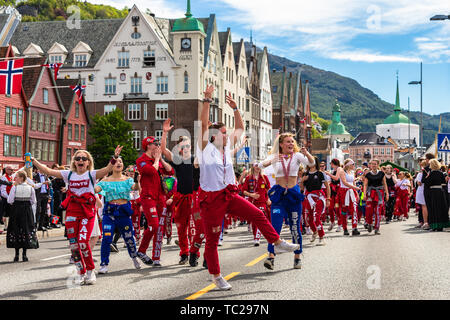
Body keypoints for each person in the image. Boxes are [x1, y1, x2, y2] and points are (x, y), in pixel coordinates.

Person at [198, 85, 299, 290]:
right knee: (212, 239)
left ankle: (277, 243)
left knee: (258, 215)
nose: (228, 135)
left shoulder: (225, 148)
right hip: (211, 199)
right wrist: (207, 100)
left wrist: (235, 109)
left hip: (229, 194)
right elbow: (202, 125)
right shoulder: (204, 148)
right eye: (224, 133)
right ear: (214, 135)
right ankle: (216, 276)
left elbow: (241, 129)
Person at [31, 146, 123, 285]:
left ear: (88, 162)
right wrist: (34, 161)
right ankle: (81, 272)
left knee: (83, 241)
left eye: (83, 158)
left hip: (87, 212)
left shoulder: (91, 174)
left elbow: (107, 169)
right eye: (78, 158)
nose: (80, 160)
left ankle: (91, 271)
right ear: (74, 162)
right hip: (72, 212)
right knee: (74, 245)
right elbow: (48, 171)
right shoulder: (68, 174)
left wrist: (114, 157)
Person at [258, 131, 315, 270]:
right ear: (282, 144)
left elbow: (311, 163)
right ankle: (271, 257)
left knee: (295, 227)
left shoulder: (297, 156)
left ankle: (297, 257)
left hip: (293, 194)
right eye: (288, 142)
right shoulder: (275, 156)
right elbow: (260, 165)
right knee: (275, 227)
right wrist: (269, 161)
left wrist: (306, 153)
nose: (291, 144)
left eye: (292, 142)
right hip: (279, 195)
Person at [160, 120, 204, 267]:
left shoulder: (195, 159)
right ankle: (184, 253)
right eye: (182, 146)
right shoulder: (177, 161)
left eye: (187, 146)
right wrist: (165, 132)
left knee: (194, 228)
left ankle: (194, 253)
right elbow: (164, 150)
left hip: (193, 197)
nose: (185, 148)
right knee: (181, 228)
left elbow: (204, 150)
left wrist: (205, 130)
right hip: (180, 198)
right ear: (179, 148)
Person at [94, 157, 141, 274]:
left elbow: (136, 188)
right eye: (116, 162)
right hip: (109, 213)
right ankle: (104, 264)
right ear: (111, 165)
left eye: (121, 161)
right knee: (106, 238)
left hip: (123, 213)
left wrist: (137, 181)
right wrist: (90, 181)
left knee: (129, 237)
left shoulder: (128, 180)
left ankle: (134, 257)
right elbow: (96, 189)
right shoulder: (106, 180)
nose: (119, 163)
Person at [136, 135, 174, 268]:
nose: (158, 146)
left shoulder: (156, 160)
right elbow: (152, 171)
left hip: (161, 198)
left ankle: (156, 257)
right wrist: (157, 159)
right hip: (148, 198)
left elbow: (171, 171)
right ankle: (141, 250)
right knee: (154, 224)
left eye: (159, 144)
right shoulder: (141, 160)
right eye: (155, 144)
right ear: (148, 145)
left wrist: (161, 160)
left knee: (160, 228)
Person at [6, 171, 39, 262]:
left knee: (16, 230)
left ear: (21, 178)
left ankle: (16, 255)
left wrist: (17, 202)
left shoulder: (14, 188)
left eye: (16, 177)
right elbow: (33, 201)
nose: (15, 178)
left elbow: (9, 200)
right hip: (27, 211)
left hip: (16, 210)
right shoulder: (30, 188)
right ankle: (24, 255)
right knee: (26, 230)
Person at [301, 157, 330, 245]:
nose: (310, 162)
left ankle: (322, 237)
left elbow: (327, 186)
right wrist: (302, 181)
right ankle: (315, 232)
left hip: (318, 197)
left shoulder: (320, 174)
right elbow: (302, 189)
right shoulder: (305, 174)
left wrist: (328, 199)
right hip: (308, 197)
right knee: (308, 219)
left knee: (316, 217)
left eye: (311, 161)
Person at [242, 162, 272, 246]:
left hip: (262, 202)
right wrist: (251, 195)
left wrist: (269, 198)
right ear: (253, 167)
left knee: (260, 217)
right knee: (254, 220)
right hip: (252, 202)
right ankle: (256, 235)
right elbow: (243, 191)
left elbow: (268, 189)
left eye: (259, 166)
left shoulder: (264, 178)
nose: (257, 167)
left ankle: (257, 238)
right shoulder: (248, 178)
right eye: (256, 166)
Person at [363, 159, 389, 235]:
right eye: (372, 164)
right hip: (371, 193)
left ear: (378, 165)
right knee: (369, 211)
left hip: (379, 193)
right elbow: (365, 185)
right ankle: (370, 224)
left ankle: (377, 228)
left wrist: (387, 193)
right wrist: (364, 194)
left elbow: (384, 184)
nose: (373, 165)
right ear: (370, 165)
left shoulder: (381, 173)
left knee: (378, 211)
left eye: (375, 164)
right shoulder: (368, 174)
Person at [423, 159, 449, 231]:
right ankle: (440, 226)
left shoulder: (431, 173)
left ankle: (434, 226)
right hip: (440, 192)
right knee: (440, 208)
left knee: (434, 209)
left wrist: (427, 178)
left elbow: (427, 183)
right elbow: (444, 183)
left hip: (433, 192)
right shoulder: (440, 173)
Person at [1, 166, 14, 234]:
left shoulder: (10, 177)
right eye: (11, 170)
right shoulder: (4, 177)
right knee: (3, 213)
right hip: (5, 198)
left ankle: (7, 227)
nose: (12, 171)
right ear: (6, 170)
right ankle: (4, 227)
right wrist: (8, 197)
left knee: (9, 213)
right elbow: (3, 190)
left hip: (9, 198)